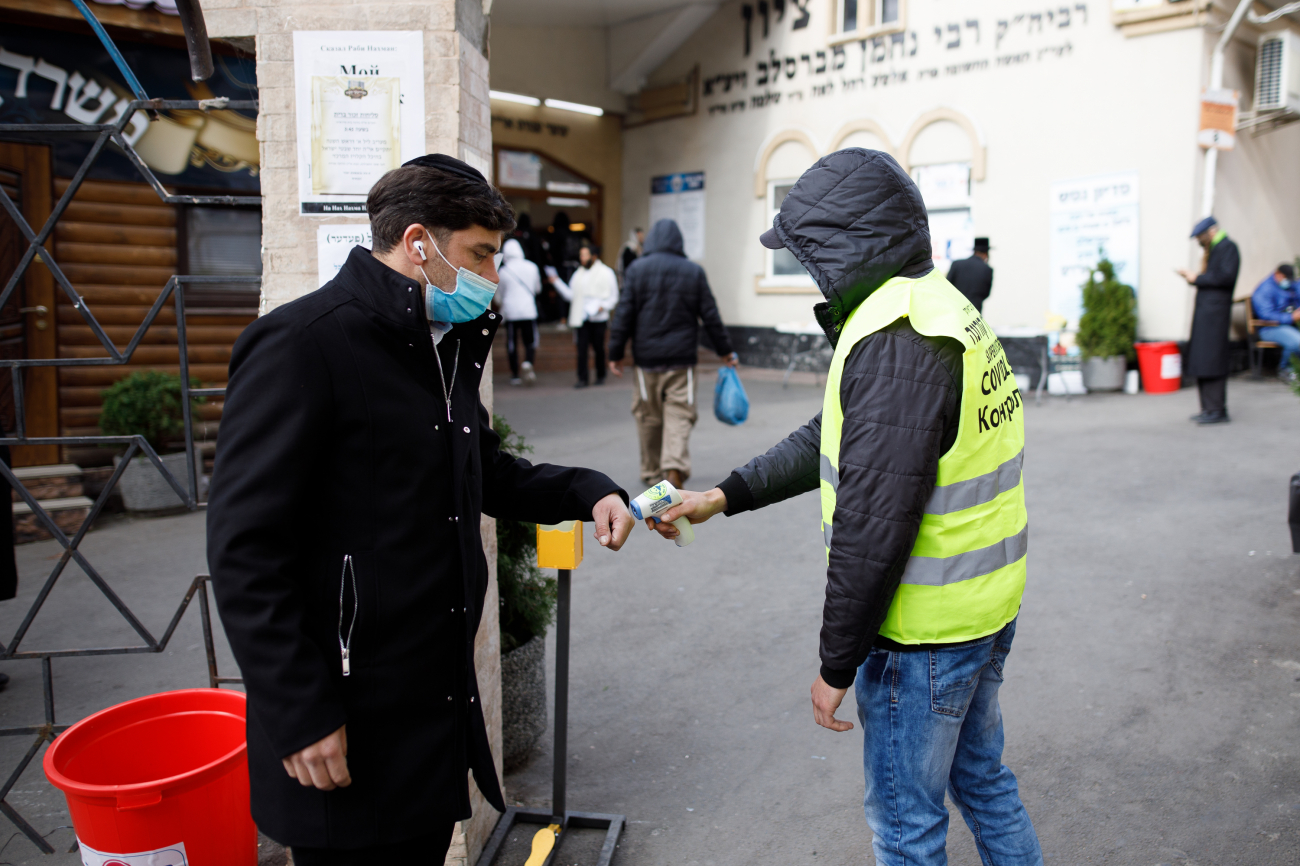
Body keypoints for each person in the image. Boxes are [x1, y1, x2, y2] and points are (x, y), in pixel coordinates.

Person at [206, 154, 635, 865]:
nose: (492, 277)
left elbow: (483, 472)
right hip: (341, 718)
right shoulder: (301, 345)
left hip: (429, 713)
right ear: (417, 243)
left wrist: (587, 488)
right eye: (479, 255)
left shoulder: (441, 347)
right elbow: (244, 549)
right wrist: (299, 709)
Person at [645, 149, 1042, 866]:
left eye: (809, 255)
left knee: (906, 828)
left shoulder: (897, 337)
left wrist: (836, 667)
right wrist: (721, 496)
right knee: (983, 781)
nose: (807, 272)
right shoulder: (937, 306)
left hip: (921, 639)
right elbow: (835, 434)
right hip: (981, 611)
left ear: (849, 247)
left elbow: (871, 531)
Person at [607, 219, 737, 488]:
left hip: (646, 361)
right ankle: (674, 469)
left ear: (651, 240)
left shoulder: (636, 270)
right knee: (680, 414)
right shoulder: (693, 272)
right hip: (682, 361)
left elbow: (624, 315)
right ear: (679, 242)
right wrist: (725, 351)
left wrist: (615, 353)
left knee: (648, 416)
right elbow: (710, 316)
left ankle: (653, 473)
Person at [1177, 216, 1240, 424]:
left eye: (1200, 237)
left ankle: (1217, 410)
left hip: (1215, 316)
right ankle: (1207, 408)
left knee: (1212, 360)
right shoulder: (1215, 249)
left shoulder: (1228, 247)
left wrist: (1198, 278)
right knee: (1202, 360)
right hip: (1207, 313)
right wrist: (1194, 279)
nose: (1198, 241)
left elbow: (1226, 277)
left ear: (1211, 232)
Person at [551, 242, 618, 388]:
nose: (581, 258)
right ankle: (582, 378)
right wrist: (557, 283)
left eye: (584, 255)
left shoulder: (607, 272)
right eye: (581, 255)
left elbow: (613, 297)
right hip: (581, 317)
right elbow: (571, 295)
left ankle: (601, 375)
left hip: (599, 318)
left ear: (593, 256)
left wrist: (603, 306)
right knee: (581, 350)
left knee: (599, 348)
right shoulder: (578, 274)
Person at [496, 238, 541, 386]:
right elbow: (537, 289)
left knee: (512, 343)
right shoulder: (532, 267)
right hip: (529, 310)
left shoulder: (503, 271)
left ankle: (515, 374)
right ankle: (528, 362)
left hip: (510, 312)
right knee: (530, 340)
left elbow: (499, 295)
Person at [1250, 263, 1300, 381]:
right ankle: (1286, 370)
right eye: (1286, 279)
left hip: (1288, 325)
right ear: (1277, 274)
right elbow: (1266, 315)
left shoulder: (1286, 285)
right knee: (1297, 342)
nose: (1288, 282)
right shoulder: (1264, 289)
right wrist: (1291, 317)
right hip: (1268, 328)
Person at [946, 237, 993, 313]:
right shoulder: (986, 269)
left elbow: (947, 285)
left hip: (955, 307)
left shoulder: (957, 264)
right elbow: (986, 293)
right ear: (985, 254)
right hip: (974, 310)